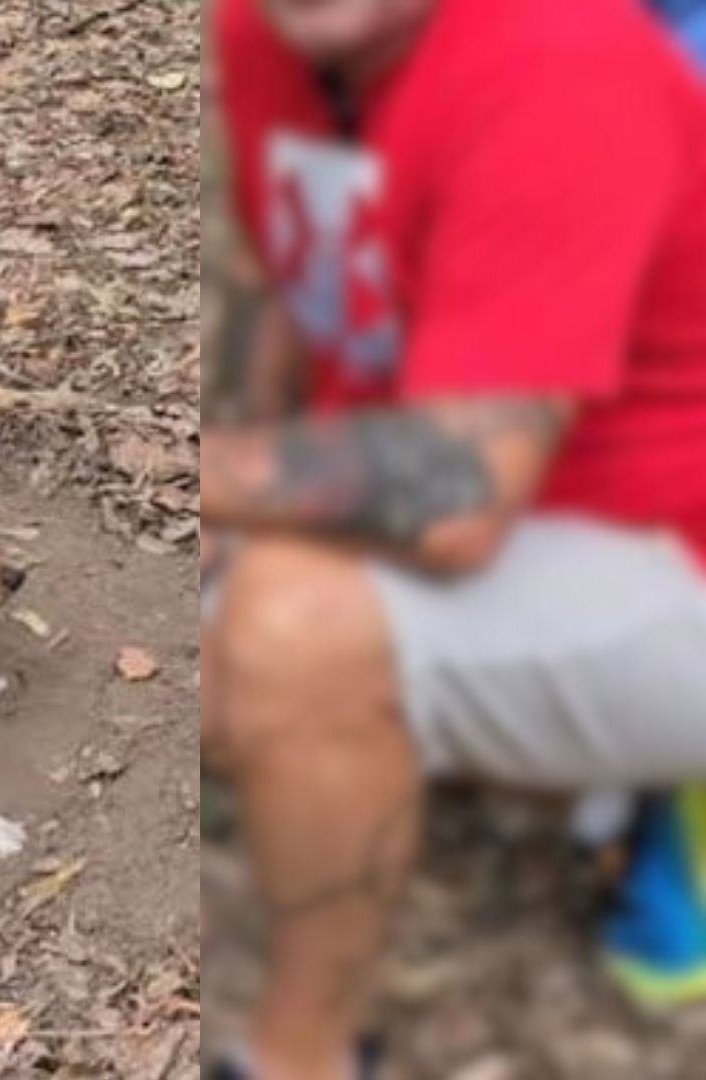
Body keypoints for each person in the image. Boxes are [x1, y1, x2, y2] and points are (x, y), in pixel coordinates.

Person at [202, 0, 706, 1076]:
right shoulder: (270, 33)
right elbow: (295, 265)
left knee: (294, 626)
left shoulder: (563, 63)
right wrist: (246, 445)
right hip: (490, 498)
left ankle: (305, 1056)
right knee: (217, 664)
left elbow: (459, 493)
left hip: (668, 539)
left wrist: (211, 485)